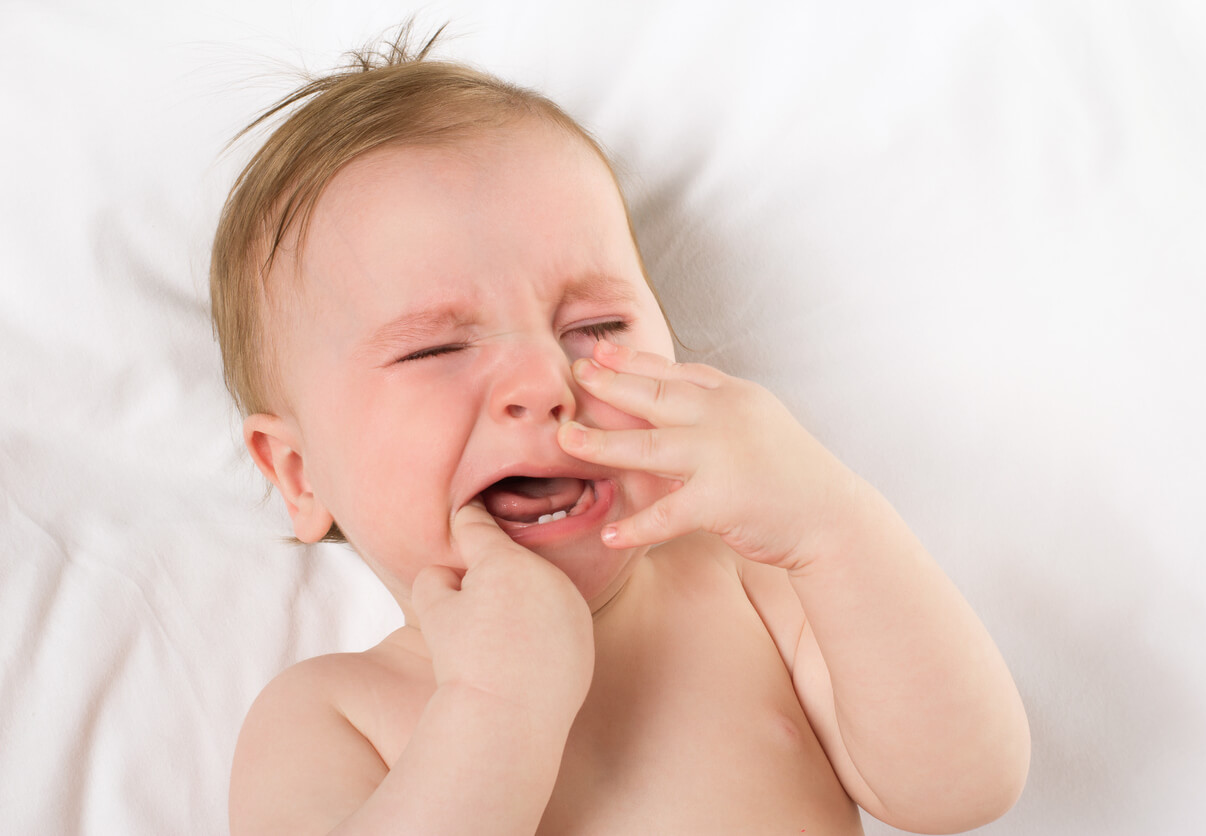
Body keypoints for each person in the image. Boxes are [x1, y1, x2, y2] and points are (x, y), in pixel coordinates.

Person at [213, 24, 1030, 836]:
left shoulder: (747, 586)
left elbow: (961, 789)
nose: (544, 382)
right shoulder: (331, 716)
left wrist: (831, 526)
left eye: (596, 325)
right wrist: (497, 709)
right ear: (296, 473)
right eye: (437, 347)